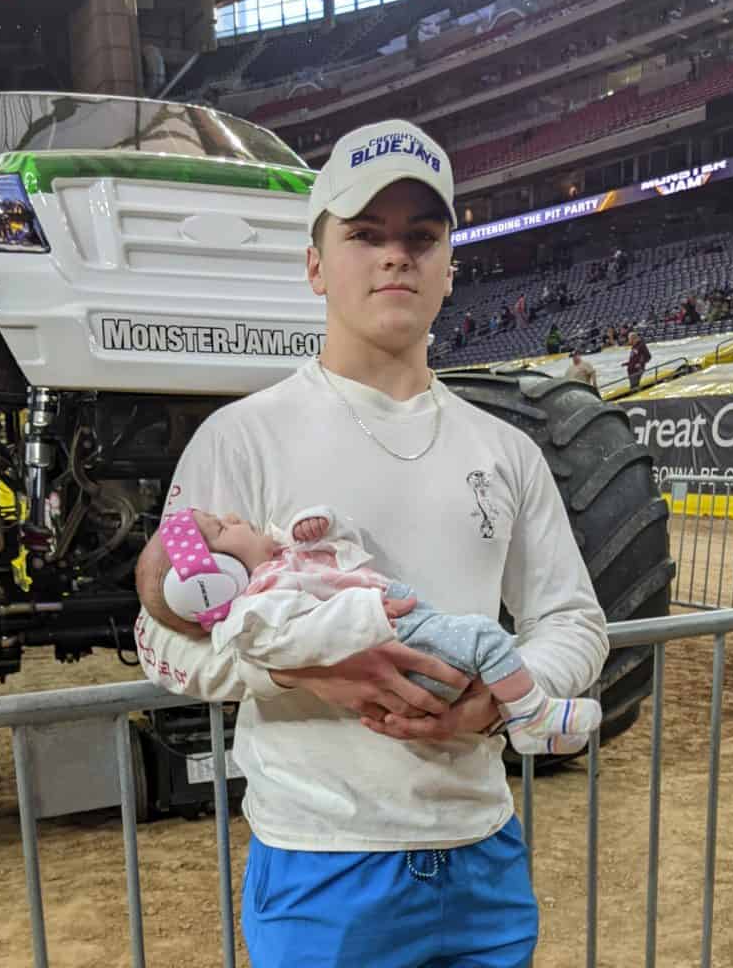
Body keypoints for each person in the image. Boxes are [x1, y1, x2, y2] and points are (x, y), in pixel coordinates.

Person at [134, 117, 607, 968]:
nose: (397, 256)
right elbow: (157, 640)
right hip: (321, 864)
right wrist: (309, 669)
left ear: (449, 268)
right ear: (315, 264)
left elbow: (574, 620)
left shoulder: (508, 451)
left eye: (421, 237)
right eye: (365, 234)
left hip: (483, 853)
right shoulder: (238, 440)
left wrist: (500, 700)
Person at [138, 505, 601, 757]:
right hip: (312, 840)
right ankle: (533, 715)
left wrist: (321, 524)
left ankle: (523, 719)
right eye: (222, 528)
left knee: (478, 653)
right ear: (213, 578)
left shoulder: (280, 564)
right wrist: (299, 670)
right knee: (483, 636)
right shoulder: (262, 606)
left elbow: (574, 617)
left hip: (475, 816)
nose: (236, 517)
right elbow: (159, 640)